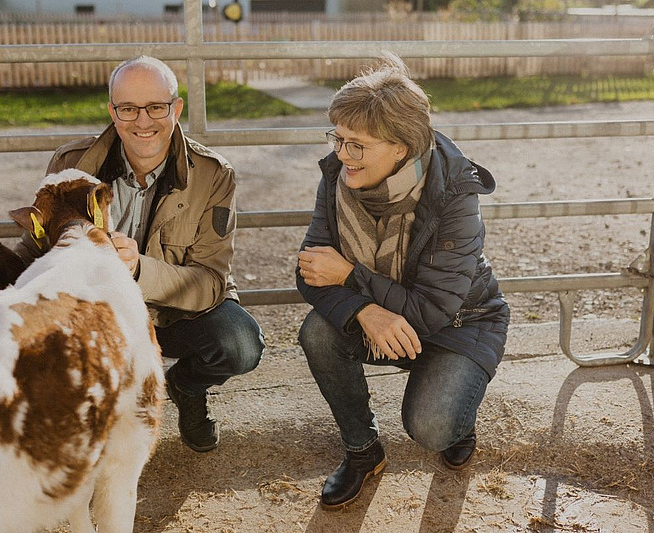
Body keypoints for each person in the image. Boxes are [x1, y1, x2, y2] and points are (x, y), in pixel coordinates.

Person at [296, 53, 509, 510]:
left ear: (401, 148)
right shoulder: (337, 176)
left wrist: (352, 276)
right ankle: (362, 452)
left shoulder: (455, 194)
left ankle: (458, 418)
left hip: (460, 323)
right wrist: (363, 310)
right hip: (387, 315)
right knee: (317, 332)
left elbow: (432, 310)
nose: (342, 154)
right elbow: (312, 272)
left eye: (357, 144)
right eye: (339, 138)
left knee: (433, 429)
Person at [42, 55, 265, 453]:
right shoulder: (70, 163)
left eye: (156, 107)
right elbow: (42, 246)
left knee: (241, 344)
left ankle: (185, 386)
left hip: (177, 310)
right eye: (128, 108)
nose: (142, 121)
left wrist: (139, 268)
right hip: (101, 311)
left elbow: (211, 280)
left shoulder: (214, 174)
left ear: (176, 109)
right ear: (112, 111)